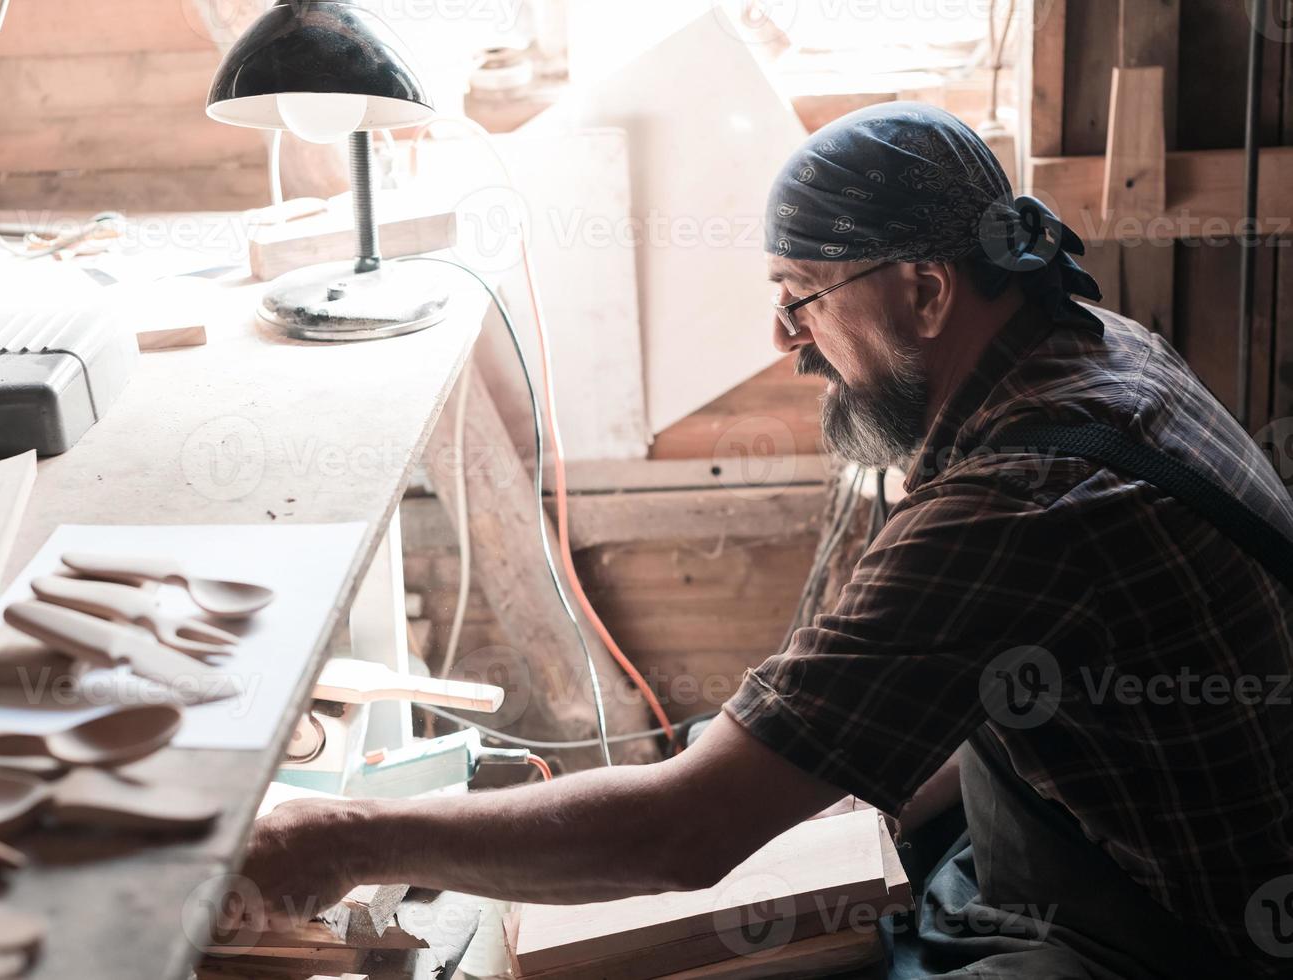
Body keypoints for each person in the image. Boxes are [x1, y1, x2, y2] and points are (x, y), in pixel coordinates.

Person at [237, 103, 1293, 977]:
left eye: (802, 300)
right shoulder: (1095, 347)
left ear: (927, 290)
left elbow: (679, 834)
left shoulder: (1019, 499)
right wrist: (807, 769)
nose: (785, 341)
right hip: (1107, 844)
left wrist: (344, 837)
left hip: (1187, 940)